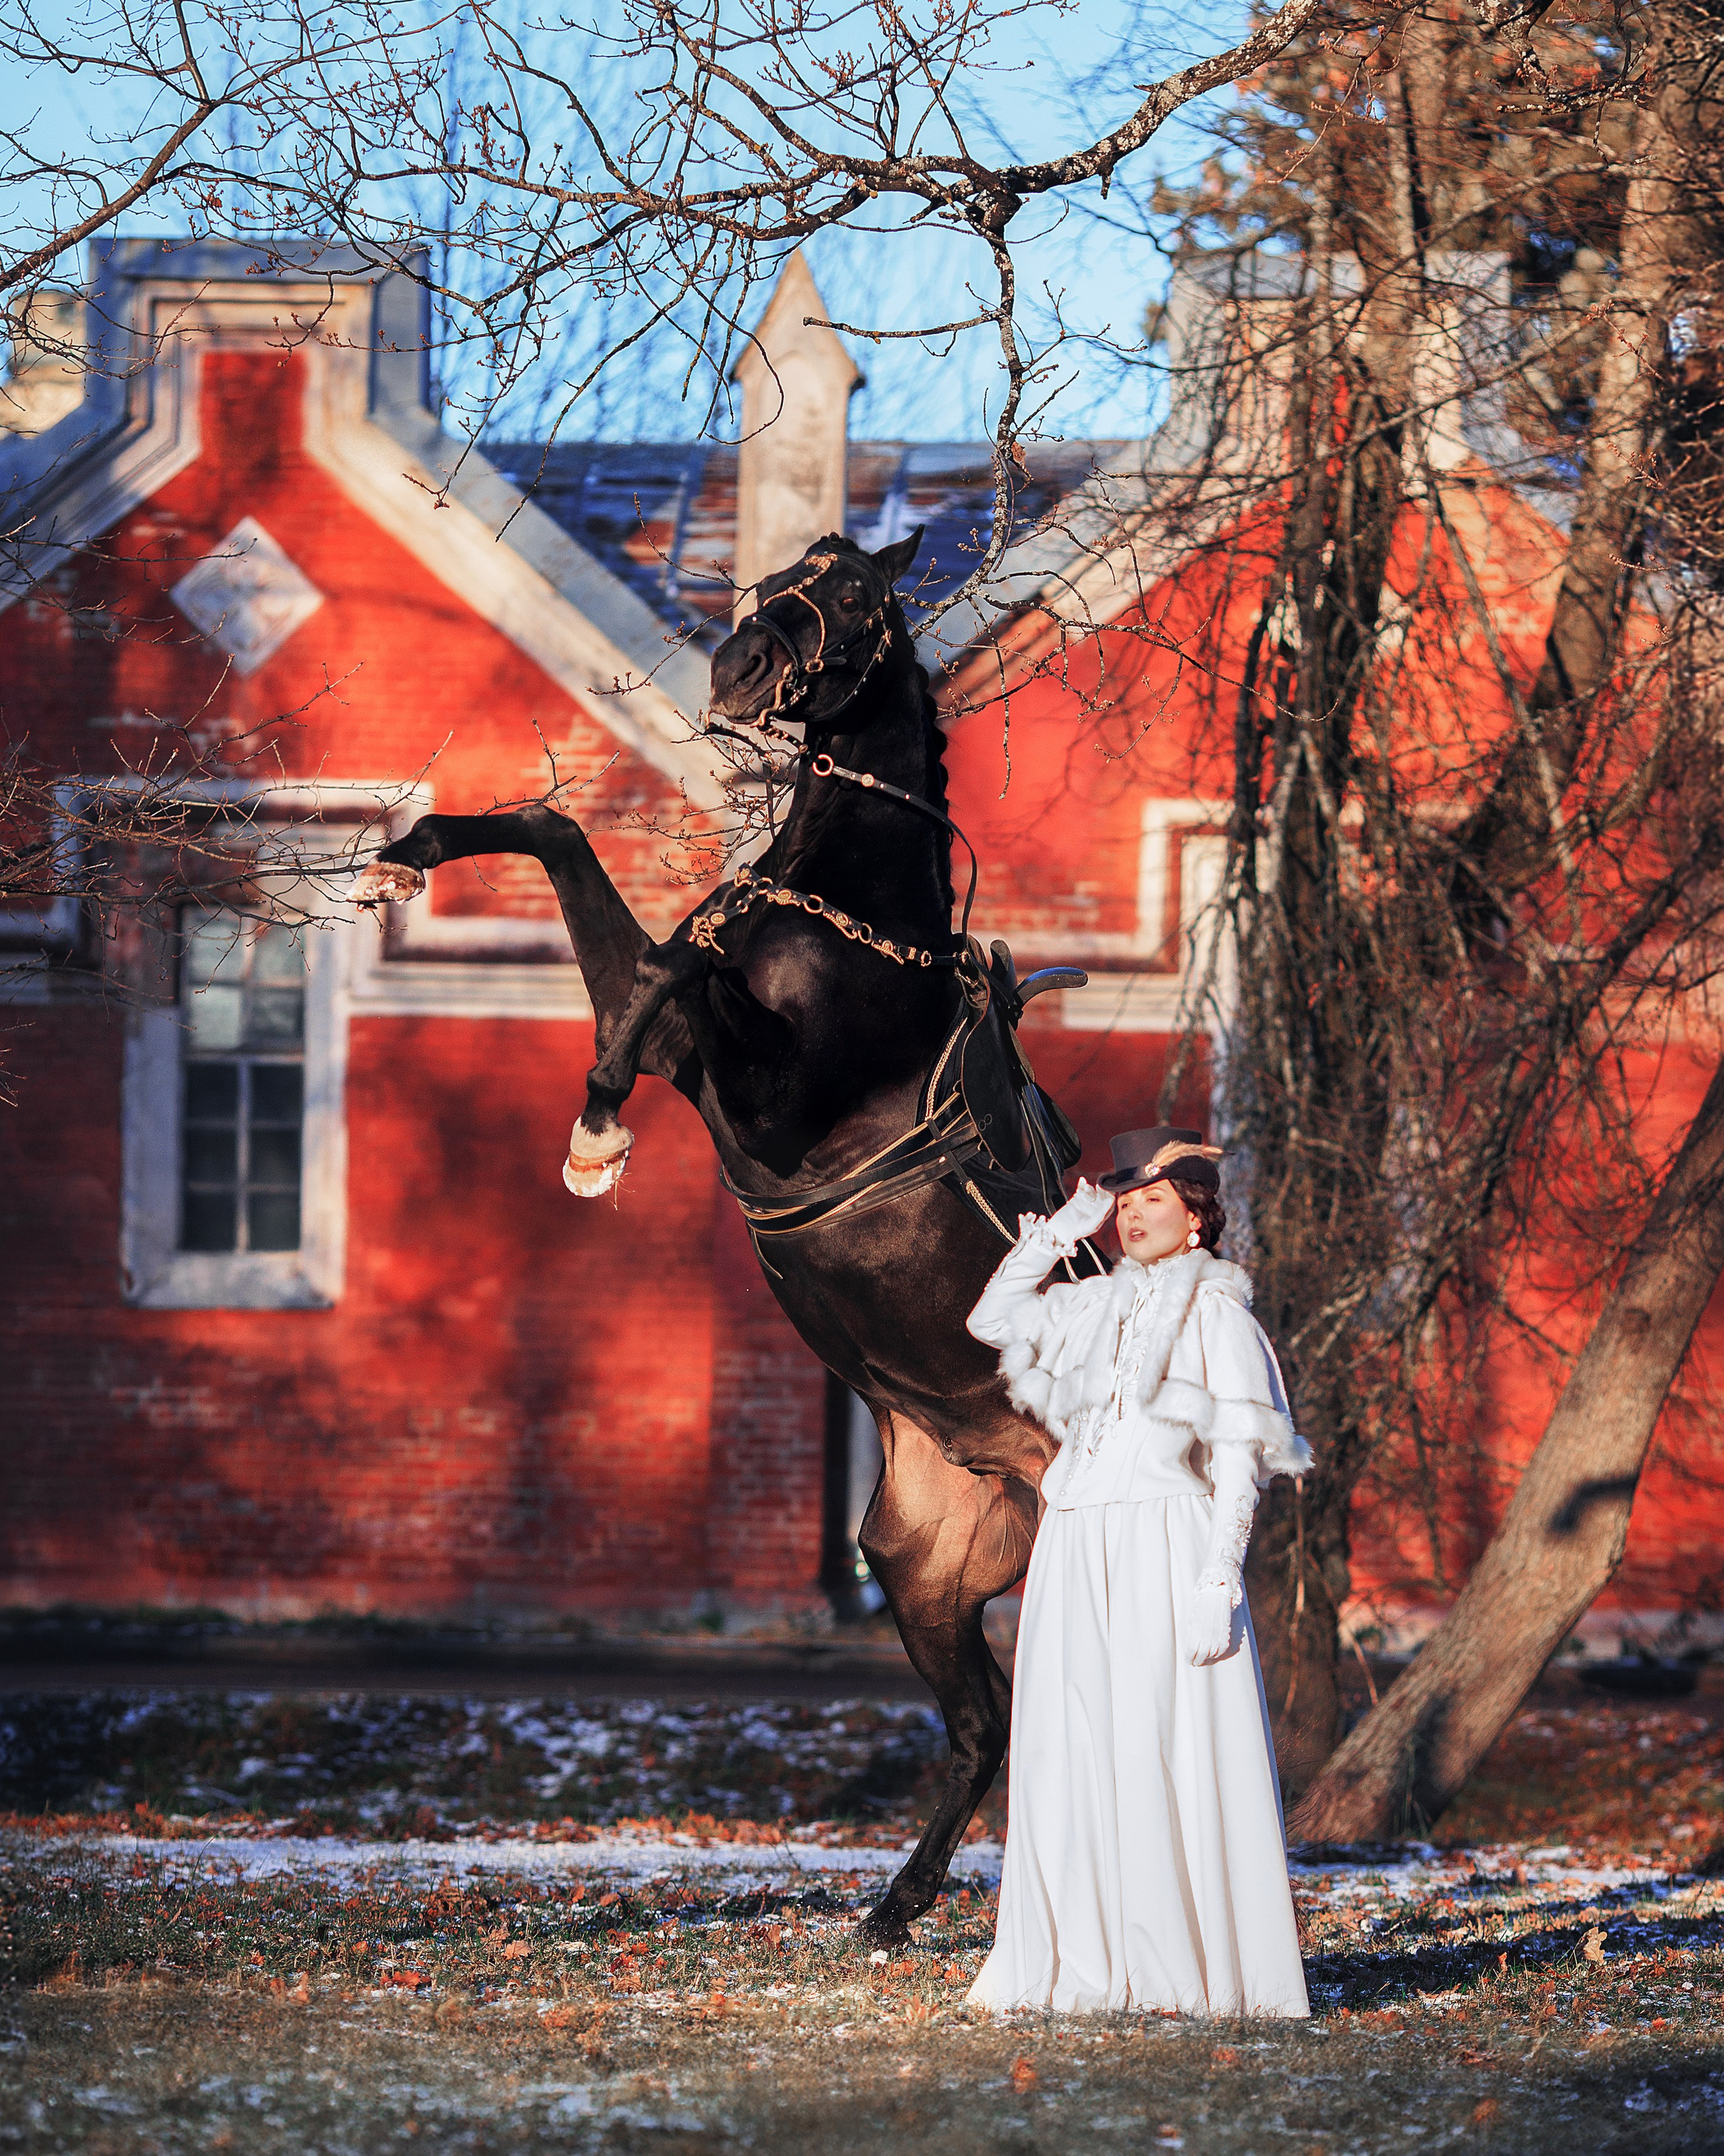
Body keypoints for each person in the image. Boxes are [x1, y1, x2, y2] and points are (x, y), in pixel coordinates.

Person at [964, 1126, 1311, 2019]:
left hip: (1165, 1544)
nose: (1131, 1211)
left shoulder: (1219, 1317)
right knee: (1073, 1744)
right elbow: (992, 1320)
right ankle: (1079, 1958)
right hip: (1079, 1540)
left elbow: (1241, 1454)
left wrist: (1216, 1577)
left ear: (1197, 1216)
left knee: (1161, 1743)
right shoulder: (1098, 1305)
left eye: (1152, 1196)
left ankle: (1177, 1968)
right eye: (1123, 1199)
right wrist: (1053, 1237)